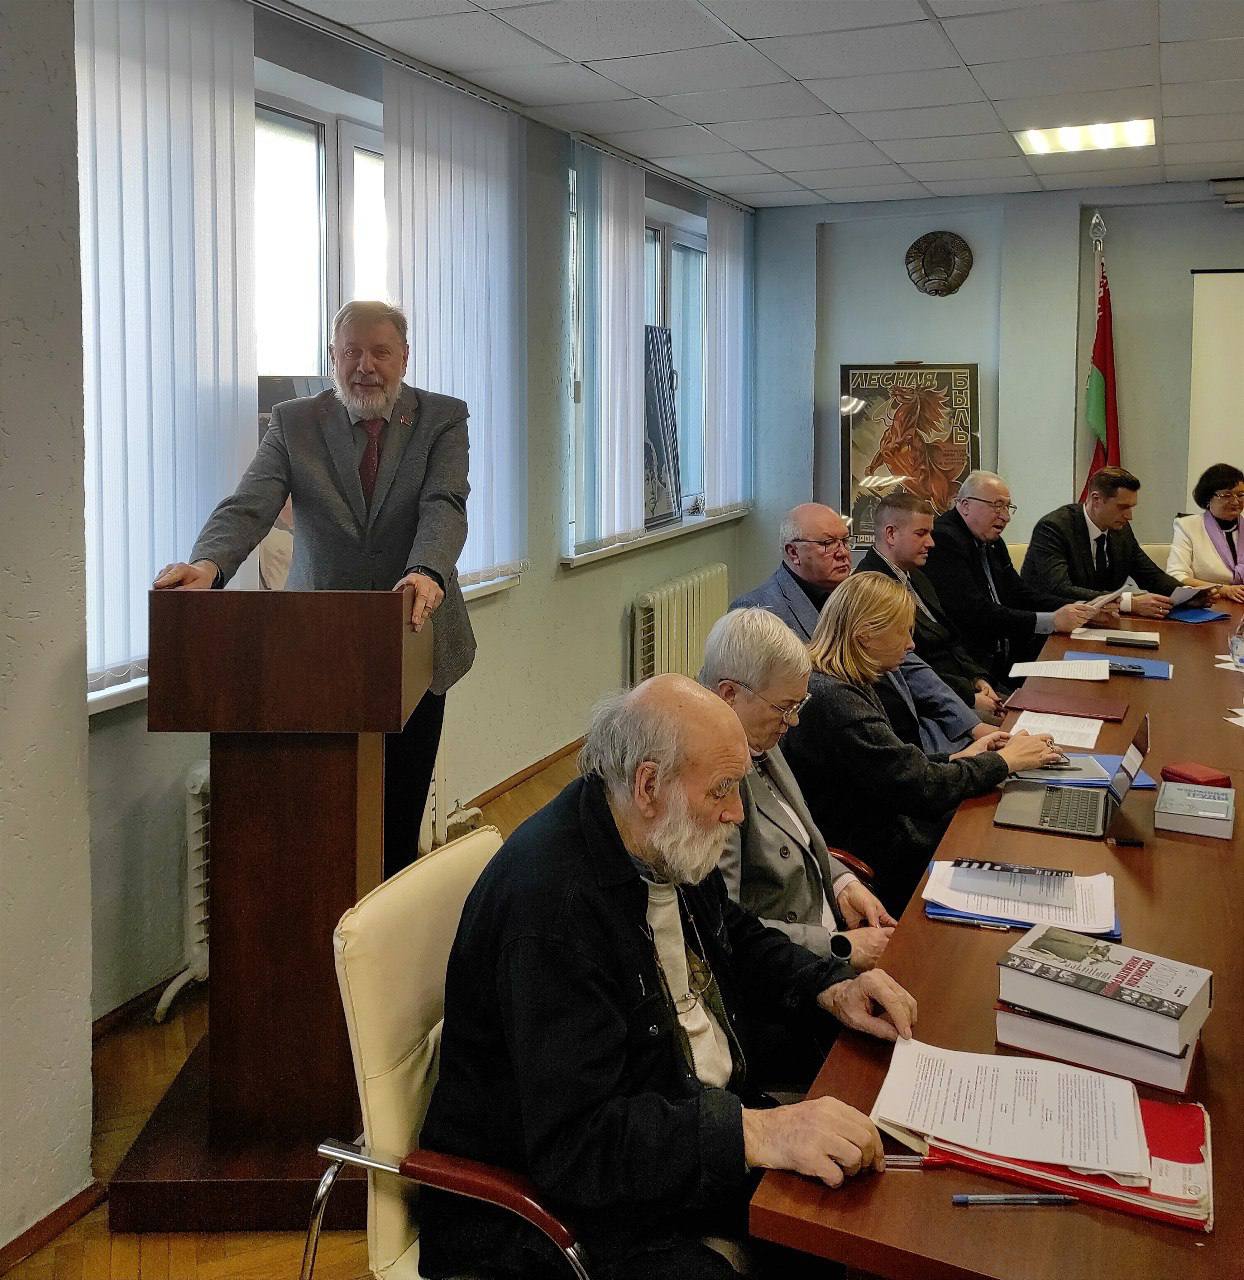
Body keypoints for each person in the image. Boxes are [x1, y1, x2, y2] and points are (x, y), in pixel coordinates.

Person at [418, 675, 918, 1280]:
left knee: (863, 1196)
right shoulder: (553, 913)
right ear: (649, 784)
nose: (737, 812)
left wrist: (830, 985)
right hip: (556, 1208)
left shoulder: (657, 835)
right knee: (830, 1233)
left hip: (673, 1119)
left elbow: (733, 935)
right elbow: (580, 1145)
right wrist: (757, 1132)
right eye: (722, 790)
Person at [152, 301, 474, 878]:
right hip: (319, 647)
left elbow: (443, 504)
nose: (365, 366)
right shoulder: (294, 421)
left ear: (404, 357)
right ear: (333, 356)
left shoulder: (442, 418)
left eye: (380, 352)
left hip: (416, 636)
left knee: (398, 816)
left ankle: (394, 919)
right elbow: (250, 503)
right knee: (323, 819)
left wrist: (427, 570)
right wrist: (208, 565)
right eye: (351, 352)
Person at [781, 574, 1061, 913]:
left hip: (884, 826)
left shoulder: (837, 681)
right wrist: (1006, 761)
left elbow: (891, 766)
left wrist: (959, 757)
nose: (911, 644)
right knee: (1007, 840)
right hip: (882, 854)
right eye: (904, 632)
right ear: (865, 636)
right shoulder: (837, 701)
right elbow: (921, 789)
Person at [699, 608, 896, 973]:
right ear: (729, 694)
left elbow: (799, 832)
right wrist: (838, 946)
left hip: (829, 924)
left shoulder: (756, 732)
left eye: (797, 704)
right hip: (796, 968)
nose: (793, 720)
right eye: (785, 707)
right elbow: (725, 926)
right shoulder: (709, 784)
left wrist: (842, 883)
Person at [733, 502, 997, 754]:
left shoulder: (856, 591)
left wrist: (971, 725)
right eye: (827, 544)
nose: (842, 552)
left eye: (844, 541)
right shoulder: (759, 611)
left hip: (907, 727)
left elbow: (910, 662)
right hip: (844, 746)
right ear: (793, 552)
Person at [922, 471, 1097, 686]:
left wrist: (1080, 606)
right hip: (973, 665)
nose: (1006, 517)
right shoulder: (944, 540)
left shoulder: (992, 541)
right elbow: (975, 612)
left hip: (1006, 654)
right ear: (965, 505)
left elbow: (1019, 592)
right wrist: (1050, 621)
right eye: (997, 506)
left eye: (1007, 507)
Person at [857, 490, 1003, 716]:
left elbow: (951, 638)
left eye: (930, 533)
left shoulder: (917, 576)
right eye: (921, 533)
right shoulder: (870, 589)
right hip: (934, 705)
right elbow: (907, 667)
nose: (931, 543)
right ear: (891, 534)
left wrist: (977, 678)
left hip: (963, 688)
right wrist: (968, 696)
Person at [1021, 466, 1179, 617]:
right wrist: (1127, 603)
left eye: (1131, 507)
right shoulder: (1053, 528)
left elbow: (1151, 576)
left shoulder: (1120, 530)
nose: (1129, 516)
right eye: (1122, 507)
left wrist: (1186, 594)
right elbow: (1060, 589)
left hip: (1100, 622)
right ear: (1096, 499)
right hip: (1048, 624)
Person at [1166, 463, 1244, 602]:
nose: (1236, 501)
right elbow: (1176, 575)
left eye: (1241, 495)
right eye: (1227, 495)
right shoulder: (1188, 526)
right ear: (1208, 498)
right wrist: (1223, 589)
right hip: (1209, 601)